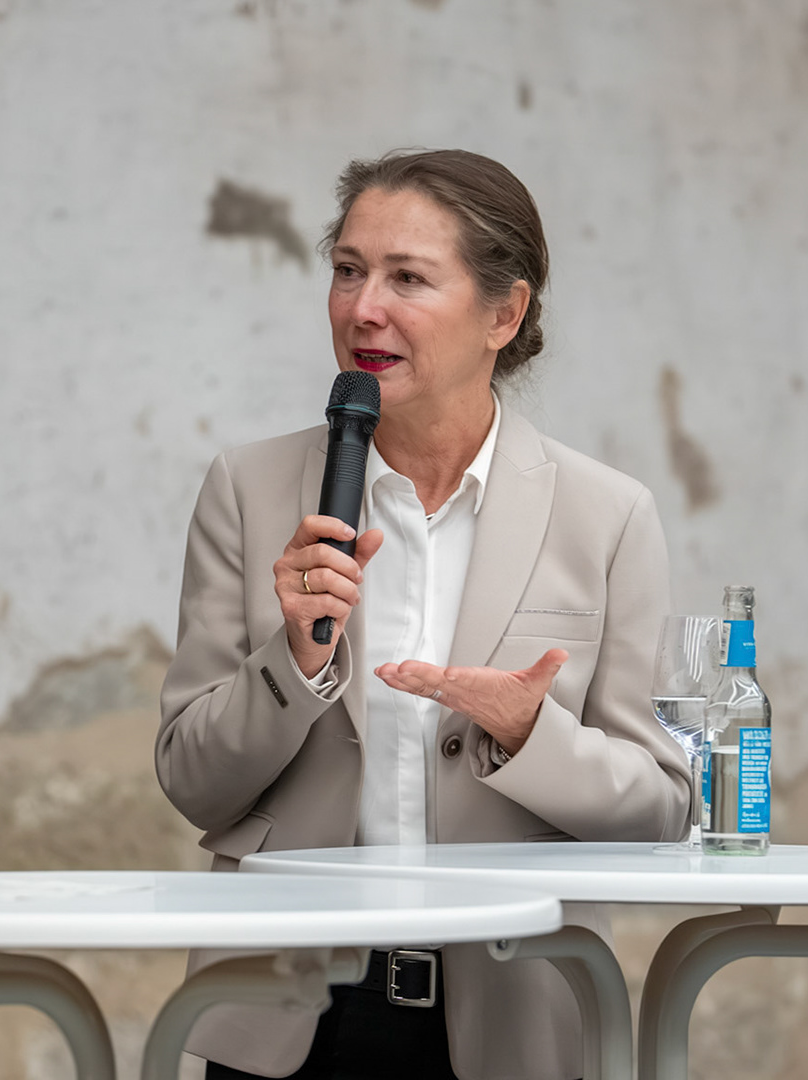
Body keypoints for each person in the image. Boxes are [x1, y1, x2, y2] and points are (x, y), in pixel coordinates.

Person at [154, 149, 692, 1080]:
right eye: (349, 270)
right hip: (286, 1021)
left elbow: (662, 805)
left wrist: (533, 736)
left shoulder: (607, 516)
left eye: (408, 278)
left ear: (504, 313)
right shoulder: (251, 489)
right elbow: (192, 781)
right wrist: (296, 663)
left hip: (516, 1023)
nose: (365, 308)